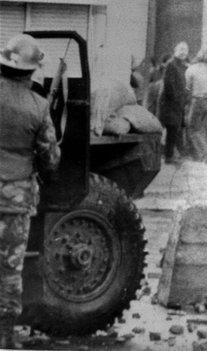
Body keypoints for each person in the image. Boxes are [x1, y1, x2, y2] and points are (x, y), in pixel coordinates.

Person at [0, 34, 61, 348]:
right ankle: (5, 337)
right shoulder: (38, 106)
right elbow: (49, 160)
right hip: (14, 201)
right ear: (32, 70)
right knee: (9, 270)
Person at [159, 42, 189, 165]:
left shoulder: (183, 66)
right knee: (171, 128)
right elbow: (169, 84)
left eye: (185, 50)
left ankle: (171, 155)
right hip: (170, 103)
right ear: (175, 50)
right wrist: (177, 98)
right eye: (180, 49)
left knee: (175, 129)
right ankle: (168, 156)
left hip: (178, 103)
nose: (183, 52)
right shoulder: (171, 64)